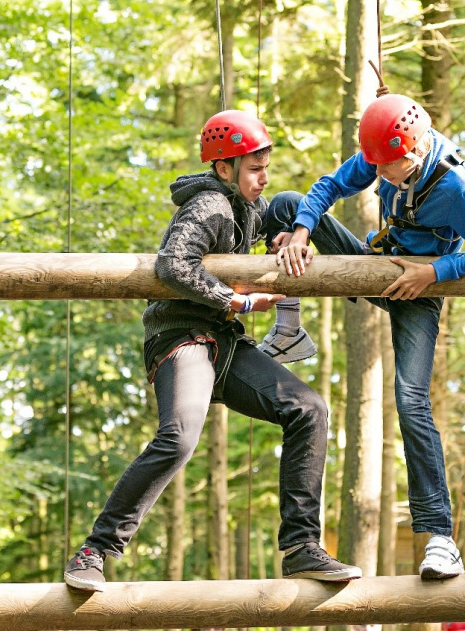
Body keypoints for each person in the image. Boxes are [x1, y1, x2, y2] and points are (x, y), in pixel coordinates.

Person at [63, 110, 361, 593]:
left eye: (266, 165)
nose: (263, 177)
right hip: (181, 337)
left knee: (309, 408)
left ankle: (302, 547)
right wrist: (238, 300)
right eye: (254, 169)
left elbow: (280, 213)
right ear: (224, 169)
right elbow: (172, 263)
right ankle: (95, 548)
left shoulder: (246, 206)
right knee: (179, 436)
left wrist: (287, 237)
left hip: (225, 343)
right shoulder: (208, 206)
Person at [272, 91, 465, 580]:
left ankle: (441, 539)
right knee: (287, 204)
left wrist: (434, 273)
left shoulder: (456, 189)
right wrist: (299, 231)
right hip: (372, 266)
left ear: (417, 152)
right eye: (375, 165)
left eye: (388, 169)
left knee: (411, 401)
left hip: (417, 293)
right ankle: (286, 325)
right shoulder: (383, 153)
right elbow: (329, 186)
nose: (377, 176)